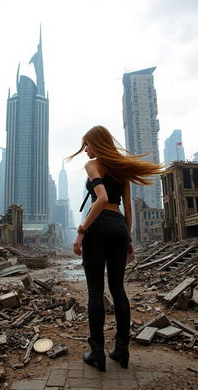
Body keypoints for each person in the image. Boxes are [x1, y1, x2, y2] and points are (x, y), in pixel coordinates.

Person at [68, 125, 164, 371]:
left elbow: (100, 200)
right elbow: (128, 209)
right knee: (118, 288)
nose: (85, 150)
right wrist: (128, 239)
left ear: (96, 144)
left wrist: (81, 232)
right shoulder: (121, 168)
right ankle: (122, 350)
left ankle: (97, 352)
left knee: (95, 289)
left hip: (98, 227)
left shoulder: (94, 165)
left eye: (86, 145)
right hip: (119, 226)